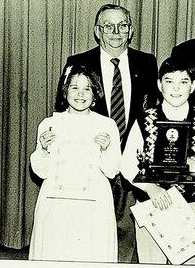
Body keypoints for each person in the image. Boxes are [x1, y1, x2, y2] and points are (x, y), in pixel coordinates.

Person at [54, 4, 159, 262]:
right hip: (89, 167)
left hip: (131, 161)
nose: (115, 32)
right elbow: (61, 111)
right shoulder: (77, 63)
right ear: (97, 31)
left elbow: (153, 114)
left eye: (122, 25)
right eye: (108, 26)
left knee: (126, 230)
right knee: (87, 231)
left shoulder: (147, 63)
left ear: (131, 30)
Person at [121, 57, 195, 265]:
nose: (176, 88)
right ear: (159, 85)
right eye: (169, 81)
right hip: (151, 204)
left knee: (186, 263)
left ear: (193, 86)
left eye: (183, 82)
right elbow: (126, 164)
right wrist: (151, 188)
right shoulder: (144, 119)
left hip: (191, 206)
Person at [29, 65, 121, 262]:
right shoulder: (49, 124)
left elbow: (113, 170)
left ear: (95, 94)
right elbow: (40, 171)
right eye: (74, 88)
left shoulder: (107, 125)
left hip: (94, 204)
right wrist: (44, 150)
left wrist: (105, 150)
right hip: (56, 202)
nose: (80, 94)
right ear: (65, 91)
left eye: (87, 88)